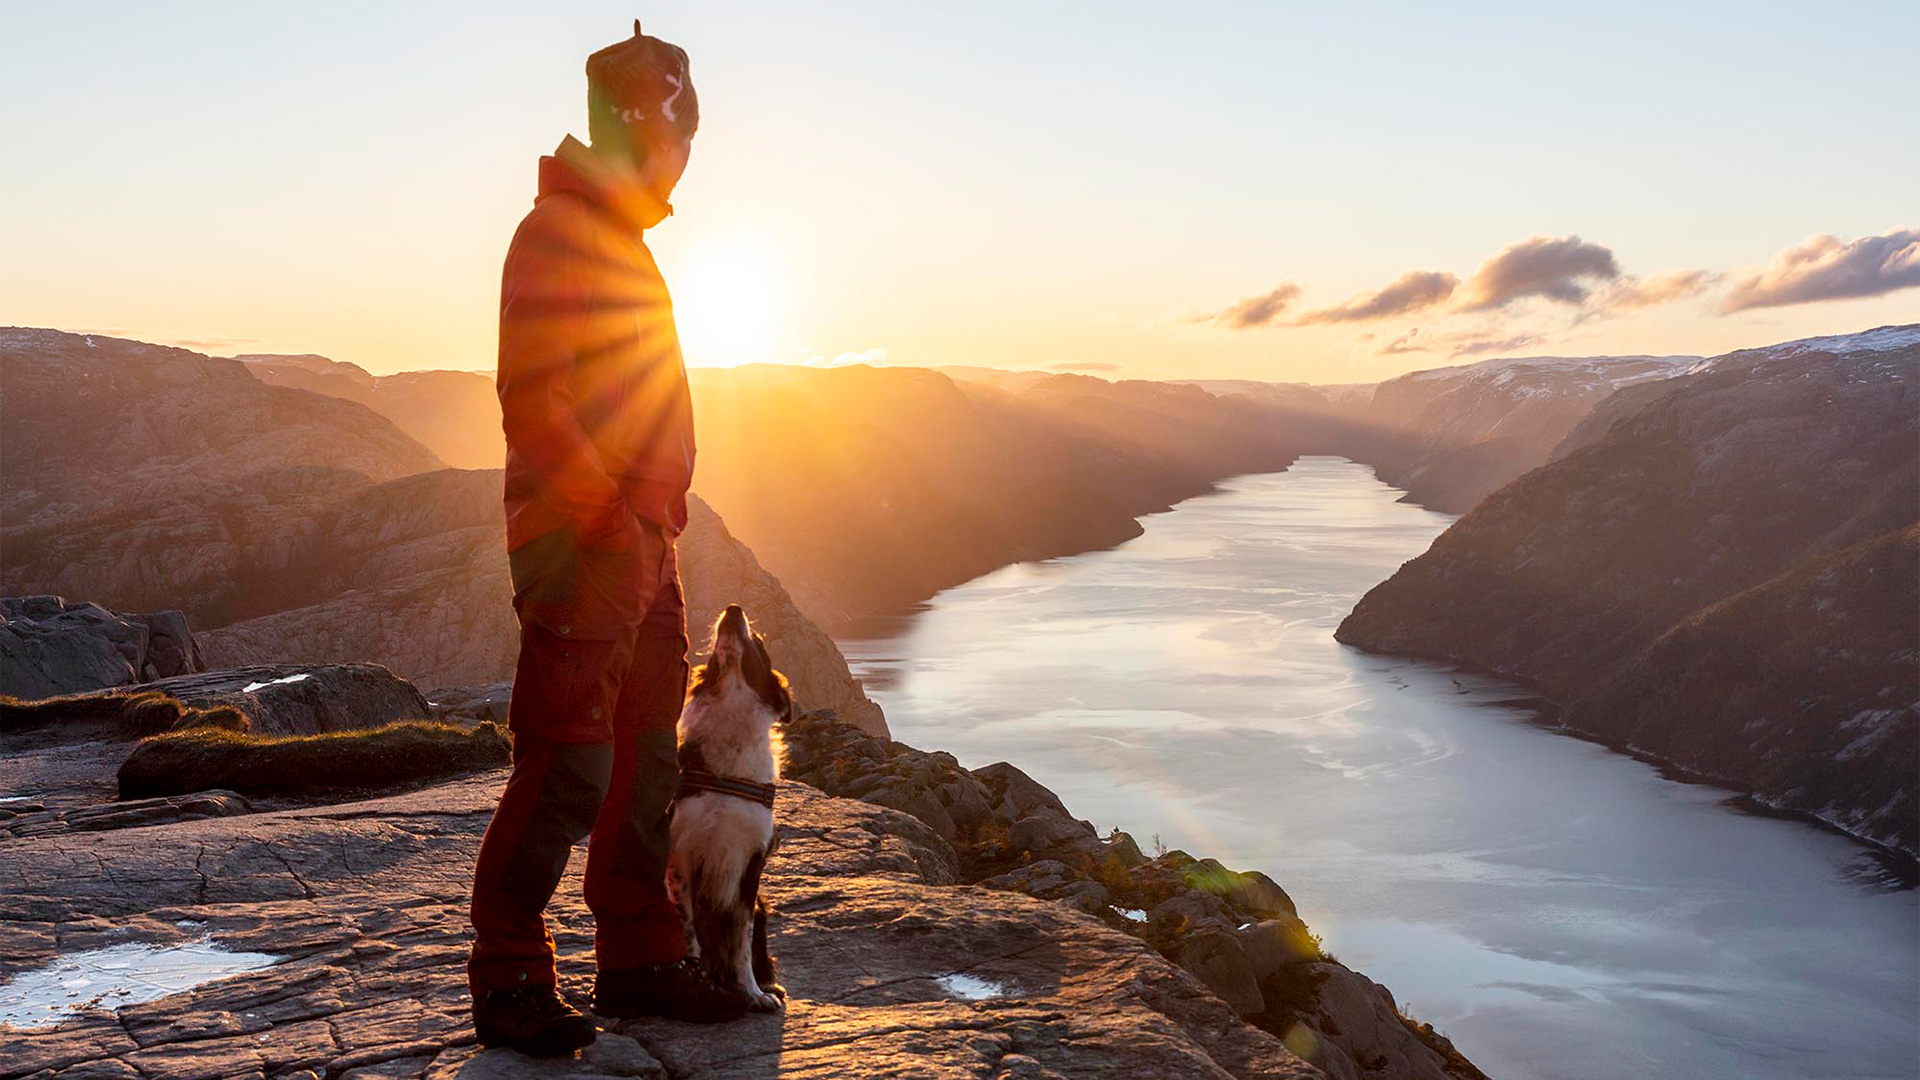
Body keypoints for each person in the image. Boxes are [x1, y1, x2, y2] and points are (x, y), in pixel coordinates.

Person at [467, 19, 748, 1057]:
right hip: (586, 543)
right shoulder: (557, 234)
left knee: (641, 762)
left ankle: (637, 957)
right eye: (681, 135)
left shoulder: (616, 238)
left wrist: (651, 528)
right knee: (570, 762)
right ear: (648, 128)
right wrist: (608, 522)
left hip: (639, 540)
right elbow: (536, 403)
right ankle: (507, 972)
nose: (687, 159)